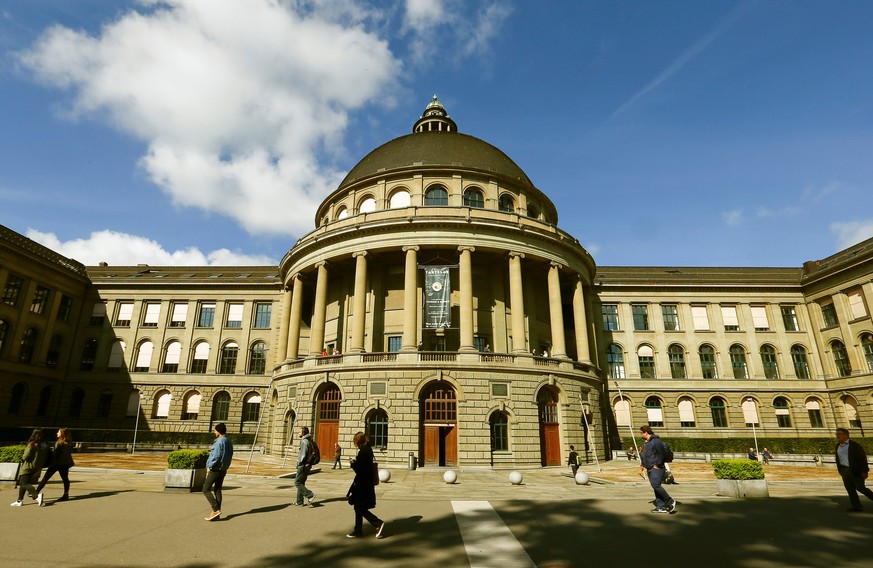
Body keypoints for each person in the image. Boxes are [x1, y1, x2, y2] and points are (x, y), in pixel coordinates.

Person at [346, 431, 386, 539]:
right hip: (365, 482)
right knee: (358, 506)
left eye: (355, 442)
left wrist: (353, 464)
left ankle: (377, 523)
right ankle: (358, 530)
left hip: (362, 483)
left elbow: (360, 470)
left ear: (358, 442)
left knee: (360, 507)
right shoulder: (368, 449)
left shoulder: (363, 452)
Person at [639, 425, 676, 514]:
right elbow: (646, 455)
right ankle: (661, 507)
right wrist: (642, 464)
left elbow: (661, 454)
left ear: (646, 432)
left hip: (656, 468)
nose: (641, 434)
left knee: (656, 485)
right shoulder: (646, 442)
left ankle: (670, 501)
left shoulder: (656, 441)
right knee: (655, 486)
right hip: (650, 468)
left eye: (641, 433)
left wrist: (658, 464)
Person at [835, 428, 873, 512]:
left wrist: (864, 471)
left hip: (855, 471)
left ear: (846, 435)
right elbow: (838, 459)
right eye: (837, 434)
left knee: (860, 488)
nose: (837, 435)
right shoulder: (838, 446)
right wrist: (840, 470)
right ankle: (856, 506)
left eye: (839, 434)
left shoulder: (854, 446)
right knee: (850, 489)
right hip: (844, 470)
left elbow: (862, 458)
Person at [35, 428, 75, 505]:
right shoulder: (68, 443)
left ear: (62, 434)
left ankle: (36, 492)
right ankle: (66, 494)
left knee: (46, 478)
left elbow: (55, 454)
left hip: (56, 464)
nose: (57, 433)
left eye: (58, 432)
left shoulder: (58, 443)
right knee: (65, 479)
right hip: (65, 464)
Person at [203, 422, 233, 521]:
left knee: (205, 489)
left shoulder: (219, 442)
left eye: (215, 430)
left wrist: (209, 465)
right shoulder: (228, 441)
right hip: (223, 469)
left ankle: (215, 509)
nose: (214, 432)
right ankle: (217, 513)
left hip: (215, 469)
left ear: (219, 431)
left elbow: (215, 456)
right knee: (217, 489)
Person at [11, 429, 49, 507]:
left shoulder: (32, 444)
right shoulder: (45, 445)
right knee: (24, 483)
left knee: (23, 483)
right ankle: (19, 500)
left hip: (28, 466)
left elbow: (25, 456)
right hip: (36, 467)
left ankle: (36, 496)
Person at [294, 426, 316, 506]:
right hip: (307, 465)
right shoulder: (309, 440)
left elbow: (303, 455)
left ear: (303, 433)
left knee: (297, 482)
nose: (298, 433)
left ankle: (310, 495)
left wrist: (299, 463)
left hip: (303, 465)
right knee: (301, 482)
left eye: (299, 432)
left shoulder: (304, 442)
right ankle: (299, 501)